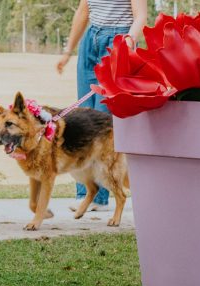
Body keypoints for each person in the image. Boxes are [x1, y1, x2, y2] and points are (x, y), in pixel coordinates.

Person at [56, 0, 146, 212]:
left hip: (118, 40)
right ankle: (84, 193)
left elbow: (141, 16)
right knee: (82, 118)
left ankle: (99, 197)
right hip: (90, 40)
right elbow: (83, 11)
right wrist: (68, 51)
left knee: (102, 120)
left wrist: (128, 41)